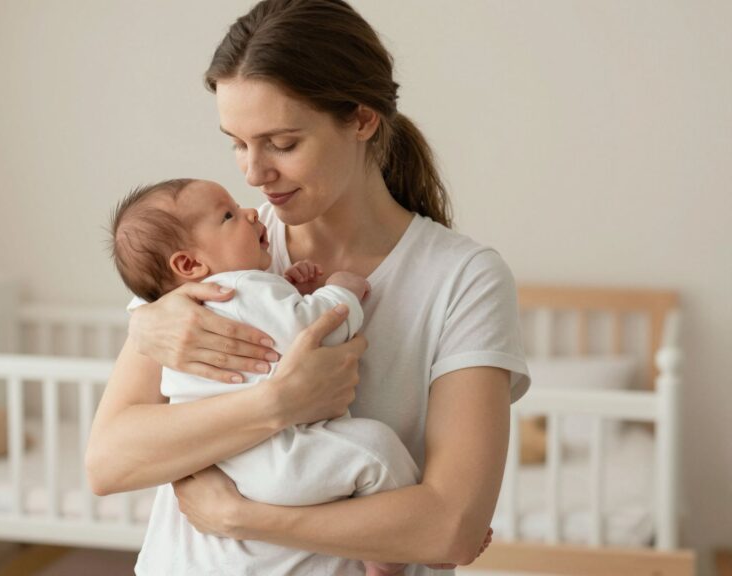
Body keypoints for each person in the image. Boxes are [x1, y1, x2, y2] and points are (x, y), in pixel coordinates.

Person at [86, 0, 530, 574]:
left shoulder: (463, 279)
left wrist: (240, 516)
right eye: (237, 142)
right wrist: (277, 403)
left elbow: (451, 529)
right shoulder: (214, 259)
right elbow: (108, 463)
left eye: (283, 143)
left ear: (362, 119)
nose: (253, 173)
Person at [108, 176, 422, 574]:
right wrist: (340, 291)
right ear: (189, 264)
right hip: (274, 458)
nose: (251, 212)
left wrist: (289, 290)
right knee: (377, 450)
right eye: (228, 215)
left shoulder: (179, 309)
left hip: (225, 463)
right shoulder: (237, 286)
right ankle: (394, 556)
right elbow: (311, 329)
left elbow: (269, 332)